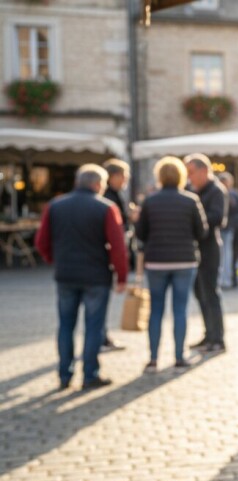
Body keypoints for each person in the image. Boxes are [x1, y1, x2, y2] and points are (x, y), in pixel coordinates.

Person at [35, 164, 128, 391]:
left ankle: (64, 374)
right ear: (98, 184)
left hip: (66, 274)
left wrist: (54, 260)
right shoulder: (106, 207)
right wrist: (122, 275)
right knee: (94, 327)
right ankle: (90, 374)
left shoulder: (55, 205)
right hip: (96, 275)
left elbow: (41, 242)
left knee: (66, 325)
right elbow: (118, 247)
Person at [135, 157, 208, 373]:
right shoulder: (190, 200)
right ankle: (179, 357)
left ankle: (153, 359)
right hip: (184, 260)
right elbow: (201, 231)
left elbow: (140, 233)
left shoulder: (150, 201)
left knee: (156, 310)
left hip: (156, 261)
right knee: (180, 310)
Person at [184, 153, 229, 353]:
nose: (189, 177)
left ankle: (217, 339)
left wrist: (194, 220)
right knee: (199, 293)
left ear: (204, 171)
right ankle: (208, 334)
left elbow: (218, 218)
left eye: (191, 172)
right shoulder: (190, 189)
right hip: (194, 249)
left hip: (209, 248)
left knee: (210, 293)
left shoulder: (216, 190)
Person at [100, 158, 132, 352]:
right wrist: (122, 274)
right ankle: (100, 339)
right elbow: (116, 235)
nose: (126, 180)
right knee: (98, 303)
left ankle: (100, 338)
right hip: (103, 258)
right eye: (124, 176)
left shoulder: (114, 195)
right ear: (114, 176)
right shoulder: (108, 198)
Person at [217, 172, 238, 289]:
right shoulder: (236, 194)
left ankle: (227, 279)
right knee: (229, 254)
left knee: (227, 254)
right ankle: (229, 279)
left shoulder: (229, 195)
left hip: (229, 228)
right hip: (233, 228)